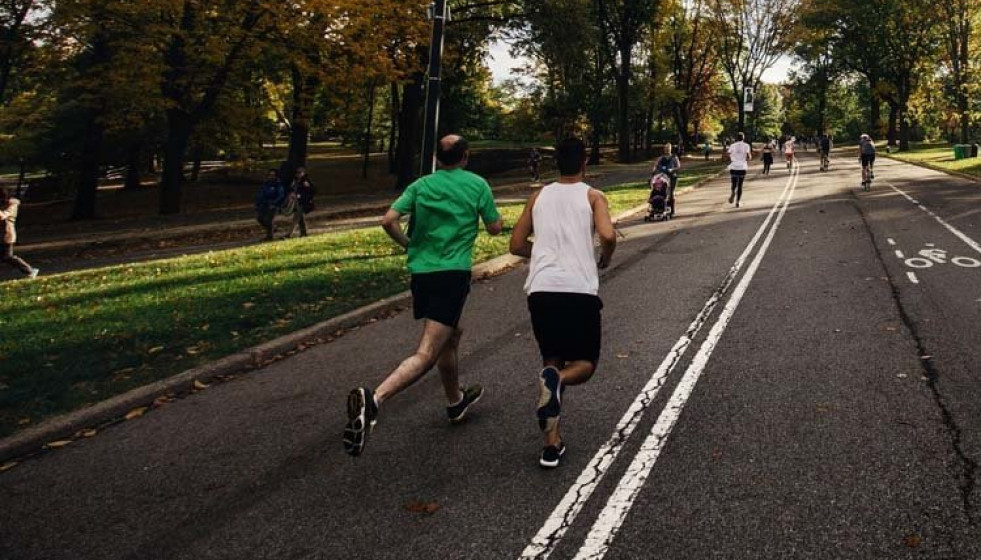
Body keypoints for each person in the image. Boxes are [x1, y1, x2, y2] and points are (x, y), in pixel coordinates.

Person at [343, 135, 503, 457]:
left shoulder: (421, 185)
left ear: (437, 157)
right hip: (452, 274)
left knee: (451, 336)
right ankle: (375, 400)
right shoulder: (476, 184)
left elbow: (388, 220)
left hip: (422, 274)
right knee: (428, 351)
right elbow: (495, 228)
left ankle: (455, 402)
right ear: (466, 156)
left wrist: (409, 245)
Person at [509, 137, 616, 468]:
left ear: (556, 164)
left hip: (540, 290)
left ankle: (551, 445)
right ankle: (560, 383)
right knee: (584, 364)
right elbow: (608, 235)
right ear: (584, 163)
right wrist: (605, 257)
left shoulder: (538, 196)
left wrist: (541, 254)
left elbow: (515, 244)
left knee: (551, 361)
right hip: (578, 290)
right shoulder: (593, 196)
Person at [0, 187, 38, 279]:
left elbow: (3, 216)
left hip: (6, 235)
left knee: (8, 256)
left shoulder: (12, 204)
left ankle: (30, 270)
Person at [284, 167, 315, 238]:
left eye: (300, 172)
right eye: (297, 172)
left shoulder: (306, 181)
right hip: (296, 202)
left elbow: (311, 191)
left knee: (296, 218)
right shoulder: (295, 181)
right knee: (300, 218)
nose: (298, 174)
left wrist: (300, 195)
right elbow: (291, 188)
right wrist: (291, 193)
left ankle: (289, 234)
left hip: (303, 202)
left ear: (303, 173)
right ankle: (304, 232)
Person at [255, 170, 285, 241]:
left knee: (268, 219)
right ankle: (273, 229)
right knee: (260, 218)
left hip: (274, 205)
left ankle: (270, 236)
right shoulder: (266, 185)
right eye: (270, 175)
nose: (271, 177)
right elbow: (261, 194)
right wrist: (258, 203)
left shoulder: (278, 185)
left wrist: (274, 203)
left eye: (273, 175)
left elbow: (280, 195)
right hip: (264, 204)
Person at [654, 143, 681, 217]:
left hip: (672, 177)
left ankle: (672, 209)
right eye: (665, 148)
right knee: (661, 192)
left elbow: (678, 166)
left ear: (670, 149)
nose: (666, 150)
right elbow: (656, 165)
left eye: (668, 148)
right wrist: (654, 170)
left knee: (671, 193)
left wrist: (672, 169)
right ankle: (660, 208)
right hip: (663, 177)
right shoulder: (661, 158)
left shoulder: (674, 157)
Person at [727, 132, 753, 208]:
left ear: (737, 138)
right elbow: (748, 156)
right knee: (740, 185)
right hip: (742, 167)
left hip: (734, 166)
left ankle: (732, 192)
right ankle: (738, 202)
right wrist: (749, 158)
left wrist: (732, 158)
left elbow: (728, 154)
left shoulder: (732, 145)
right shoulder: (746, 145)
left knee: (733, 182)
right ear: (743, 138)